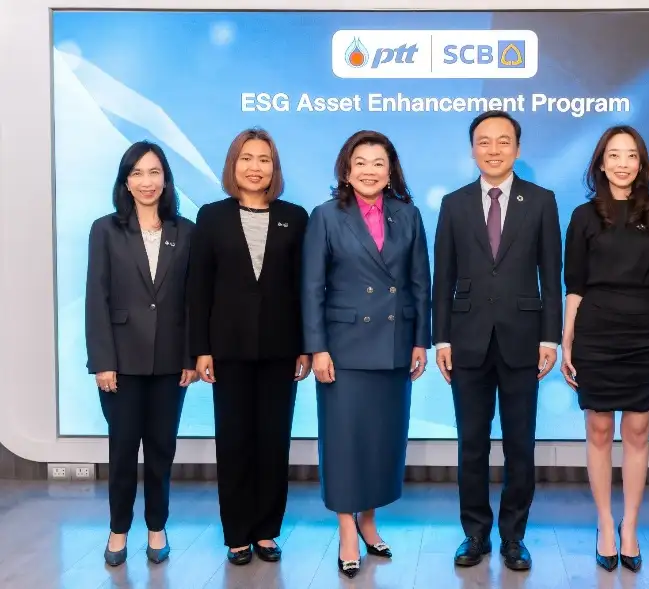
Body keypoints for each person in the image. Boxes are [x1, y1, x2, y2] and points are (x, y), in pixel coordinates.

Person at [433, 110, 563, 571]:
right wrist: (441, 339)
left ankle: (513, 537)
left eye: (503, 141)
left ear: (518, 149)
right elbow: (443, 276)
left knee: (519, 444)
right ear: (473, 149)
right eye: (484, 141)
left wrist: (550, 338)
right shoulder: (453, 203)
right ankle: (474, 533)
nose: (493, 149)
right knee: (471, 443)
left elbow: (552, 274)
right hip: (466, 340)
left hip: (523, 340)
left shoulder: (541, 201)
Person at [301, 130, 431, 578]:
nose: (369, 171)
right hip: (343, 349)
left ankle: (369, 521)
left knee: (381, 440)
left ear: (391, 171)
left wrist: (420, 339)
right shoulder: (326, 215)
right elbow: (312, 288)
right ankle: (346, 529)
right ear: (346, 169)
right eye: (361, 162)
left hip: (394, 346)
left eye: (379, 163)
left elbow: (420, 282)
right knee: (344, 443)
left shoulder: (408, 214)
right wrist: (317, 348)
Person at [187, 128, 312, 565]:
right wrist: (200, 349)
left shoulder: (295, 217)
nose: (255, 167)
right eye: (246, 158)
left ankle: (266, 531)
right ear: (233, 165)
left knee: (273, 443)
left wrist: (305, 346)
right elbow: (198, 287)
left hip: (282, 348)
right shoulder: (211, 216)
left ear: (274, 168)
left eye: (263, 159)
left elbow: (302, 287)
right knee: (234, 441)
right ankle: (237, 533)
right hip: (228, 349)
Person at [560, 126, 649, 573]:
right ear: (601, 163)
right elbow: (574, 285)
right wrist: (567, 339)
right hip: (595, 332)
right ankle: (605, 524)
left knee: (638, 430)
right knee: (598, 429)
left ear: (641, 163)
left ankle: (630, 526)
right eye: (614, 155)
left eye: (631, 155)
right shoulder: (583, 216)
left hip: (644, 332)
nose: (623, 163)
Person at [85, 141, 197, 567]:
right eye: (137, 173)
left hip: (171, 363)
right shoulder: (105, 229)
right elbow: (96, 298)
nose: (146, 181)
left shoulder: (186, 231)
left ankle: (156, 527)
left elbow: (192, 301)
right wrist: (103, 362)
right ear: (125, 181)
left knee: (162, 450)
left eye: (154, 172)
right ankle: (118, 529)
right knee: (122, 451)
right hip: (121, 363)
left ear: (165, 179)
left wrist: (190, 357)